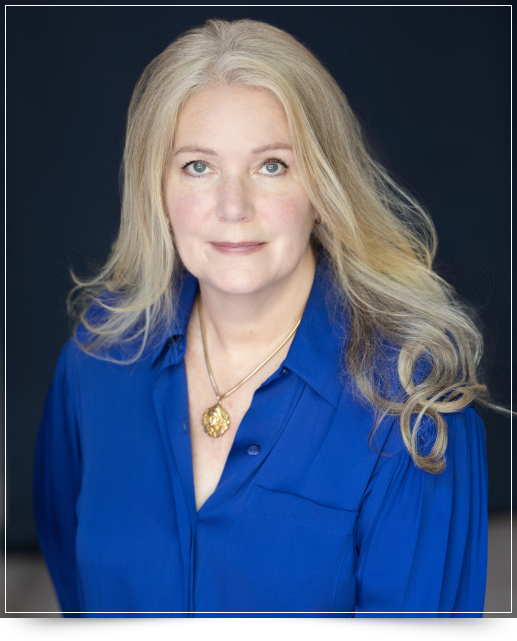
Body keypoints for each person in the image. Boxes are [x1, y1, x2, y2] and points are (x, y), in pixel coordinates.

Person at [34, 18, 494, 618]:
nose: (233, 207)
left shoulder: (412, 409)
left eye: (271, 165)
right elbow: (74, 577)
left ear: (323, 190)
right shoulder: (99, 357)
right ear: (158, 189)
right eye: (198, 166)